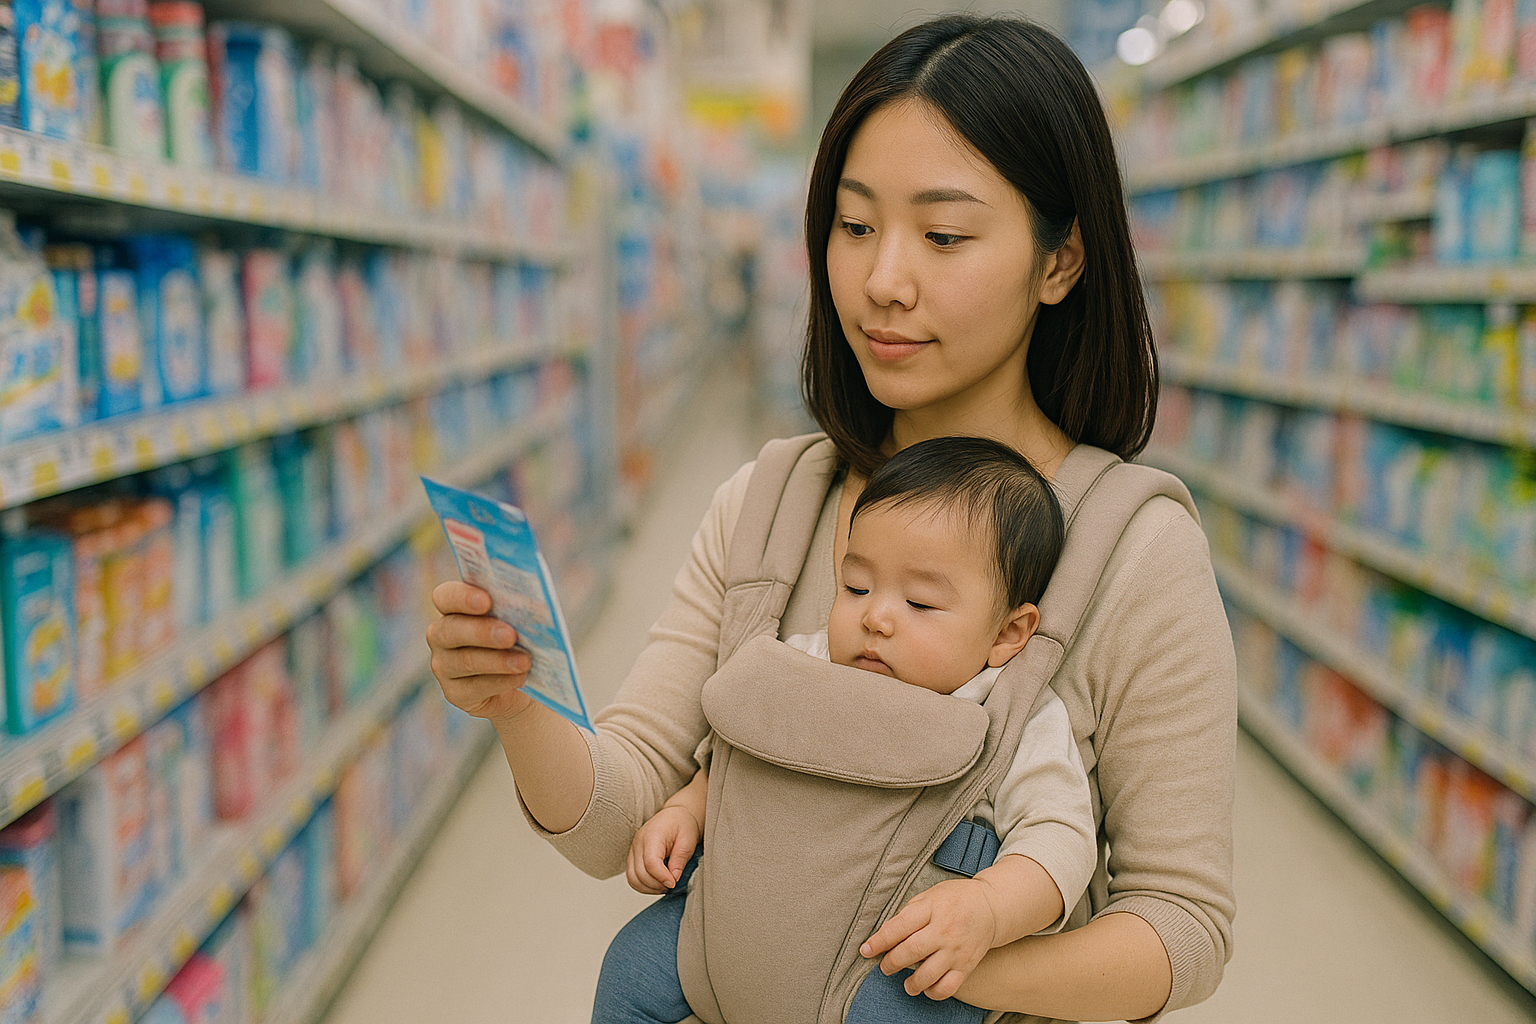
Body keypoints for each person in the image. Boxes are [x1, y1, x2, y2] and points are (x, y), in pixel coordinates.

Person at [427, 14, 1236, 1024]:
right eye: (855, 227)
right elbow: (617, 819)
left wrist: (928, 975)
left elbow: (1183, 923)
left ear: (1060, 261)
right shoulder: (769, 507)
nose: (882, 281)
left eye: (942, 235)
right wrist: (518, 700)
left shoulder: (1133, 550)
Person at [607, 435, 1095, 1024]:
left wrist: (989, 907)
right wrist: (687, 811)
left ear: (1007, 634)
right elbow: (735, 759)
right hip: (733, 929)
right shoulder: (804, 662)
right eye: (856, 587)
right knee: (628, 970)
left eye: (919, 603)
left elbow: (1060, 840)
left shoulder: (1016, 717)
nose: (876, 616)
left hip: (885, 965)